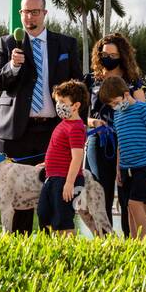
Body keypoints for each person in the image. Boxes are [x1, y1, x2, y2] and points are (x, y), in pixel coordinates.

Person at [0, 0, 83, 234]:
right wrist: (13, 67)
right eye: (25, 12)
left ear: (44, 13)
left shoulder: (66, 44)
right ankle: (20, 251)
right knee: (19, 199)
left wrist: (80, 125)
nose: (29, 17)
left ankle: (51, 249)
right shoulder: (8, 43)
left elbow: (79, 89)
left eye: (34, 12)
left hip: (53, 132)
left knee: (53, 191)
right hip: (16, 131)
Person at [83, 32, 146, 233]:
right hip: (98, 140)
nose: (107, 58)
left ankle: (131, 243)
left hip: (127, 142)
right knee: (101, 193)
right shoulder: (90, 80)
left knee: (127, 195)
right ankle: (105, 241)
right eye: (104, 54)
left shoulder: (132, 82)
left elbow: (142, 112)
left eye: (113, 55)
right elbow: (77, 115)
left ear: (123, 55)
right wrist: (93, 122)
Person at [99, 75, 146, 238]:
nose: (114, 107)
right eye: (111, 105)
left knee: (135, 203)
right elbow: (120, 143)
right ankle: (133, 242)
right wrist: (118, 168)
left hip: (144, 166)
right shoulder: (118, 115)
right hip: (126, 169)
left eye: (115, 102)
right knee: (128, 207)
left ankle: (142, 242)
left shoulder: (142, 109)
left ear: (126, 94)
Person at [37, 80, 89, 236]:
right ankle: (52, 248)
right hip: (53, 178)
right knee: (43, 214)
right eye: (57, 101)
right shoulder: (64, 124)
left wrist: (70, 183)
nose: (58, 105)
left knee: (62, 219)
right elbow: (61, 151)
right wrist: (47, 163)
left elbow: (77, 157)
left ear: (76, 105)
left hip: (65, 180)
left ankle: (67, 251)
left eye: (62, 102)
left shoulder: (76, 128)